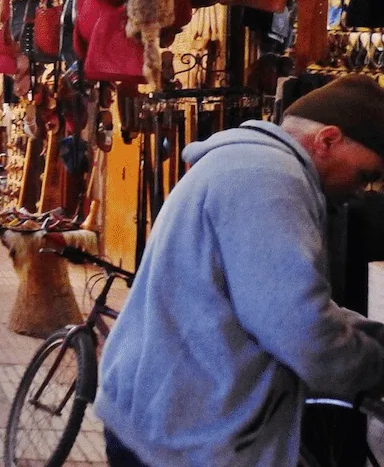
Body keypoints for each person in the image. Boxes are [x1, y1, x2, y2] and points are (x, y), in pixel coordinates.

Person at [95, 75, 384, 467]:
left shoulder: (248, 165)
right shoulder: (269, 180)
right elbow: (298, 327)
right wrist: (374, 366)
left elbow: (278, 301)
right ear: (328, 140)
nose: (361, 190)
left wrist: (371, 336)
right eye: (365, 175)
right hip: (183, 437)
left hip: (171, 420)